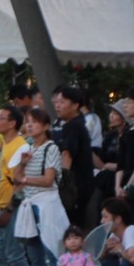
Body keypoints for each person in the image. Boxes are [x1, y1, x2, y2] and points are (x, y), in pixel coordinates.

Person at [11, 107, 67, 266]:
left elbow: (48, 180)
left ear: (45, 126)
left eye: (34, 122)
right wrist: (22, 164)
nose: (29, 125)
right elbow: (16, 177)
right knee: (34, 252)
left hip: (46, 203)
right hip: (29, 204)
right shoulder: (27, 148)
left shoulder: (51, 148)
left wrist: (25, 180)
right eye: (27, 121)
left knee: (51, 248)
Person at [0, 104, 37, 266]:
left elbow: (19, 183)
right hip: (2, 206)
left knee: (14, 253)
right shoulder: (7, 146)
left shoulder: (20, 146)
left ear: (12, 123)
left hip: (12, 208)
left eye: (1, 118)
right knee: (0, 259)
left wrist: (9, 209)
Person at [50, 84, 95, 225]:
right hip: (80, 185)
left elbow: (67, 154)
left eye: (62, 102)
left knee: (72, 226)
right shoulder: (73, 124)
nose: (57, 106)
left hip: (76, 187)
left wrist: (64, 183)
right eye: (56, 102)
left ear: (75, 105)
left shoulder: (74, 126)